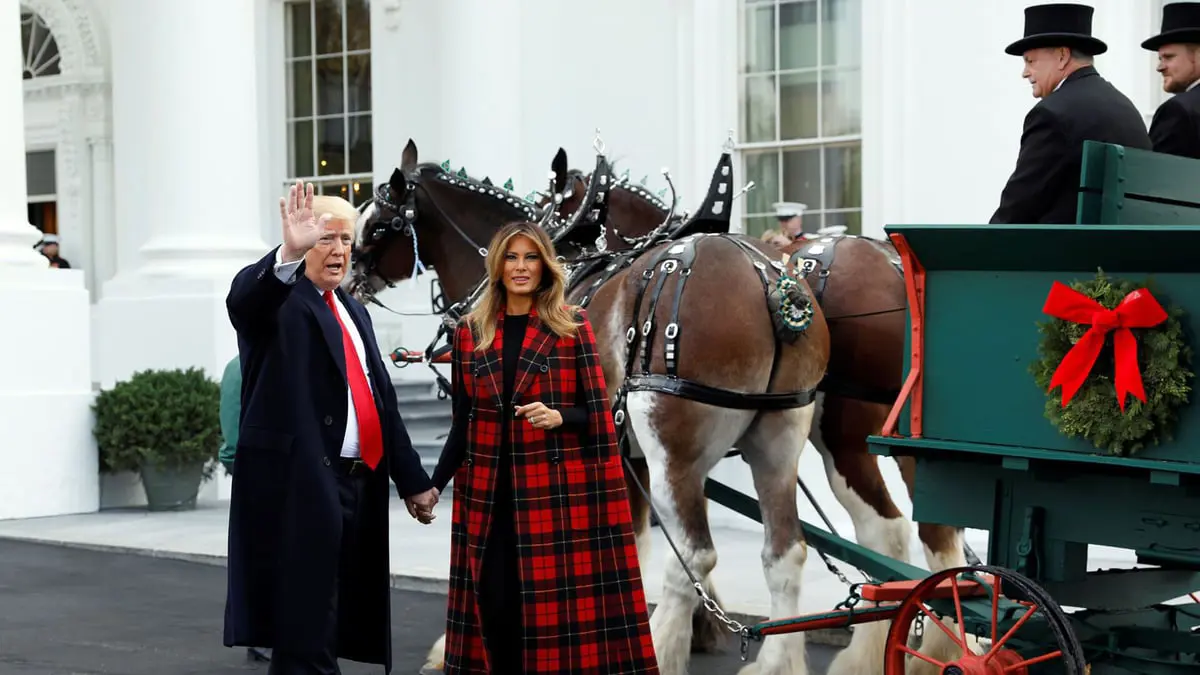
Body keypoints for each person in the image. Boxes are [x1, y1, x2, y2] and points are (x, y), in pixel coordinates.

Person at [223, 181, 439, 675]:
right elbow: (245, 302)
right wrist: (286, 254)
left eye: (345, 240)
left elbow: (381, 403)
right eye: (326, 239)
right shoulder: (279, 299)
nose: (339, 251)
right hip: (298, 486)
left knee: (321, 620)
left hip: (355, 484)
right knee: (306, 625)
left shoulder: (355, 311)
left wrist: (412, 481)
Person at [430, 221, 658, 674]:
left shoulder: (571, 328)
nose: (520, 267)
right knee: (492, 606)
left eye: (530, 257)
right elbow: (463, 424)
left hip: (553, 499)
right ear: (497, 266)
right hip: (487, 499)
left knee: (547, 621)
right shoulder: (469, 333)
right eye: (511, 257)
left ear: (544, 266)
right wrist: (432, 486)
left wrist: (559, 416)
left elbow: (597, 415)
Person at [990, 3, 1152, 225]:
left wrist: (976, 253)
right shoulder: (1125, 107)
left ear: (1062, 56)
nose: (1025, 73)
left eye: (1030, 61)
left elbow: (1017, 208)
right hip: (1122, 251)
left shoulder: (1051, 114)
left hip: (1070, 254)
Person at [1143, 2, 1200, 158]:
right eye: (1160, 58)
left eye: (1168, 57)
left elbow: (1157, 176)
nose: (1159, 67)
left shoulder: (1178, 110)